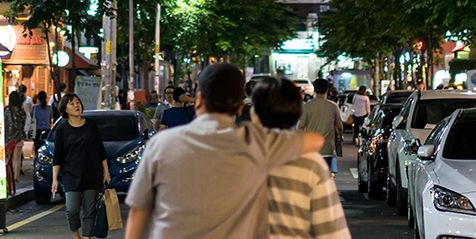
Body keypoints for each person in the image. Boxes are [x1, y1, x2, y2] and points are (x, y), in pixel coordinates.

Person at [124, 63, 326, 239]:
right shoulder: (257, 146)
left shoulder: (160, 144)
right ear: (239, 106)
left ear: (200, 99)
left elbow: (138, 212)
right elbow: (314, 141)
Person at [251, 78, 351, 239]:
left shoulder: (232, 158)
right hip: (325, 148)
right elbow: (332, 232)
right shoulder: (308, 164)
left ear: (253, 113)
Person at [50, 93, 110, 239]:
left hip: (92, 174)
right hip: (71, 175)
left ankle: (87, 237)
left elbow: (100, 149)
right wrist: (54, 179)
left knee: (89, 211)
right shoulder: (62, 129)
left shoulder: (91, 125)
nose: (76, 105)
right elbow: (57, 155)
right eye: (72, 103)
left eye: (78, 102)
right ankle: (76, 235)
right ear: (65, 109)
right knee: (72, 210)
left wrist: (106, 171)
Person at [299, 79, 343, 175]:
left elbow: (301, 126)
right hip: (327, 148)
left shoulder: (307, 106)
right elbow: (339, 126)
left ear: (314, 89)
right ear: (327, 90)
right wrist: (340, 136)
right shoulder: (333, 106)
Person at [4, 91, 27, 194]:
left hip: (8, 138)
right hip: (19, 137)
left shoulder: (7, 110)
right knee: (17, 159)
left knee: (9, 159)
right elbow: (24, 122)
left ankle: (10, 176)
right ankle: (16, 177)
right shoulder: (21, 111)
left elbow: (6, 124)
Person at [31, 91, 52, 155]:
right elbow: (50, 117)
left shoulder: (35, 108)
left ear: (38, 98)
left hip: (37, 130)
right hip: (47, 130)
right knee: (45, 148)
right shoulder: (49, 108)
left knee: (37, 148)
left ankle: (37, 161)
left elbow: (32, 117)